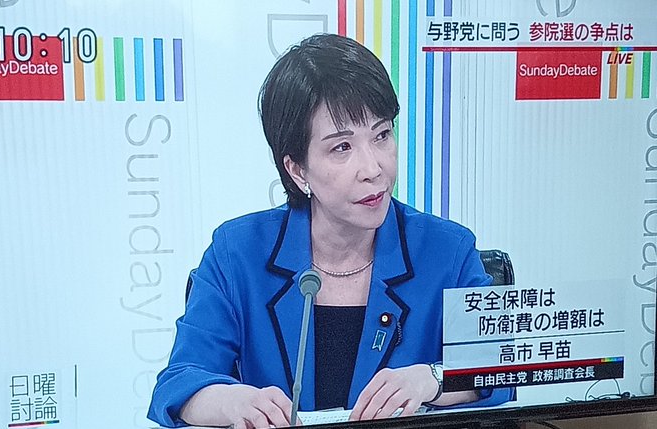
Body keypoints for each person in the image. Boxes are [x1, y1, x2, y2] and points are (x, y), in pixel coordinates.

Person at [147, 33, 510, 428]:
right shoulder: (237, 254)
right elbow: (180, 383)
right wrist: (234, 402)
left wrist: (432, 380)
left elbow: (502, 367)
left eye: (381, 135)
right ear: (297, 169)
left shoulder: (447, 251)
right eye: (342, 148)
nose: (373, 168)